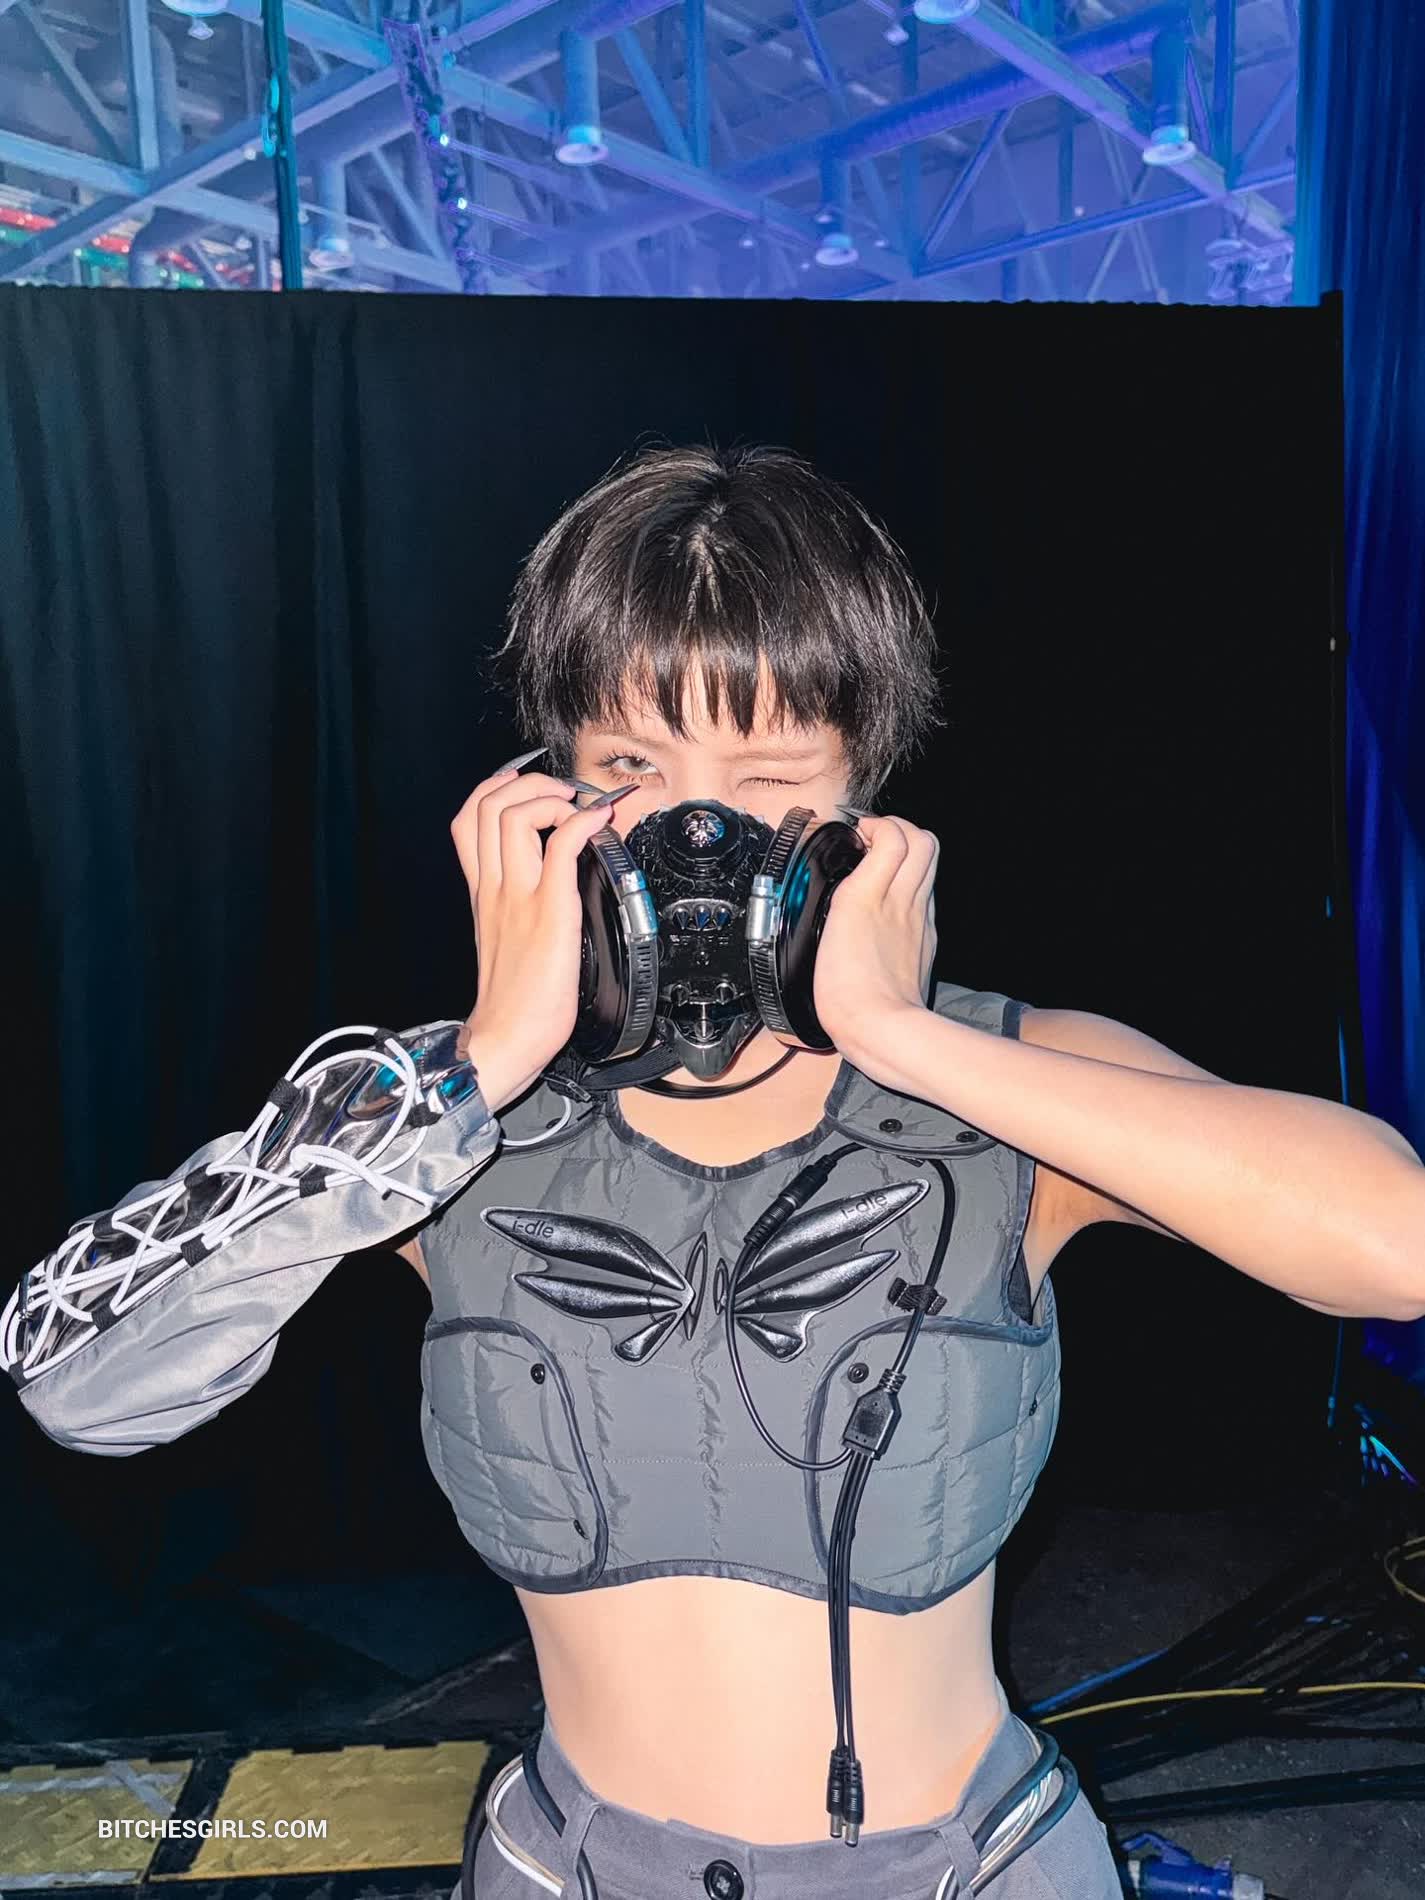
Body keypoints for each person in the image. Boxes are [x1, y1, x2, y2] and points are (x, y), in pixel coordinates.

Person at [7, 444, 1422, 1900]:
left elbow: (1397, 1248)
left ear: (864, 807)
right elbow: (80, 1389)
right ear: (544, 791)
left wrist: (902, 1036)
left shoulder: (1007, 1078)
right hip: (563, 1867)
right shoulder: (432, 1116)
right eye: (630, 767)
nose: (698, 832)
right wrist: (479, 1065)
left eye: (769, 775)